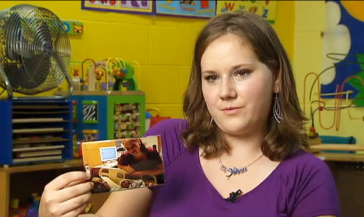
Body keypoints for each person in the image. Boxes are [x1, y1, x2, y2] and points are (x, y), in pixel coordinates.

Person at [39, 11, 341, 217]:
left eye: (242, 73)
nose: (225, 91)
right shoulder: (167, 140)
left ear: (276, 78)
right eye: (211, 77)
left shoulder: (308, 175)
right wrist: (52, 212)